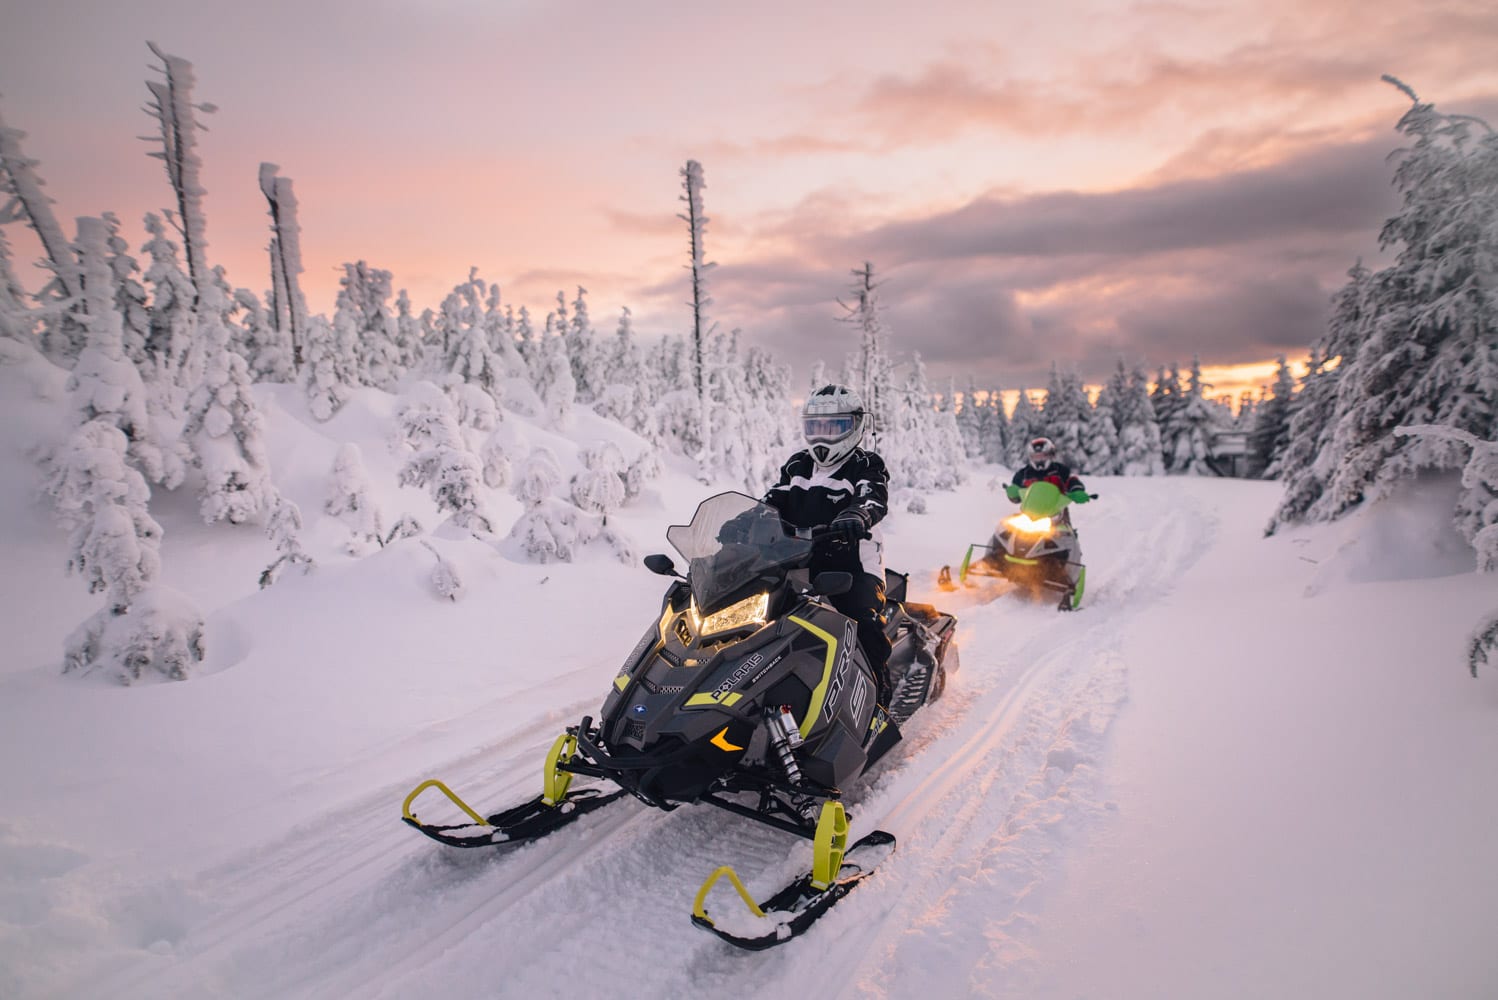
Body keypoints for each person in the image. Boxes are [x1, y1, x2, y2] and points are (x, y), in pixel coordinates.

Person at [762, 384, 893, 708]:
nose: (824, 436)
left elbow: (872, 496)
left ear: (855, 426)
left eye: (834, 427)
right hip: (798, 559)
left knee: (860, 618)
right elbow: (773, 500)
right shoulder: (797, 466)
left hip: (852, 561)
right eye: (816, 427)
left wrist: (857, 514)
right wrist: (745, 521)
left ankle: (878, 696)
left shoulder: (866, 464)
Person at [1006, 436, 1089, 525]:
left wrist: (1077, 490)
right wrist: (1012, 493)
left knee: (1067, 535)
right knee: (1006, 529)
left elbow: (1072, 480)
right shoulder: (1023, 474)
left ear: (1051, 455)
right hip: (1029, 516)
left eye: (1042, 456)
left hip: (1057, 515)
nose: (1039, 461)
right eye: (1036, 457)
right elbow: (1016, 496)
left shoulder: (1060, 470)